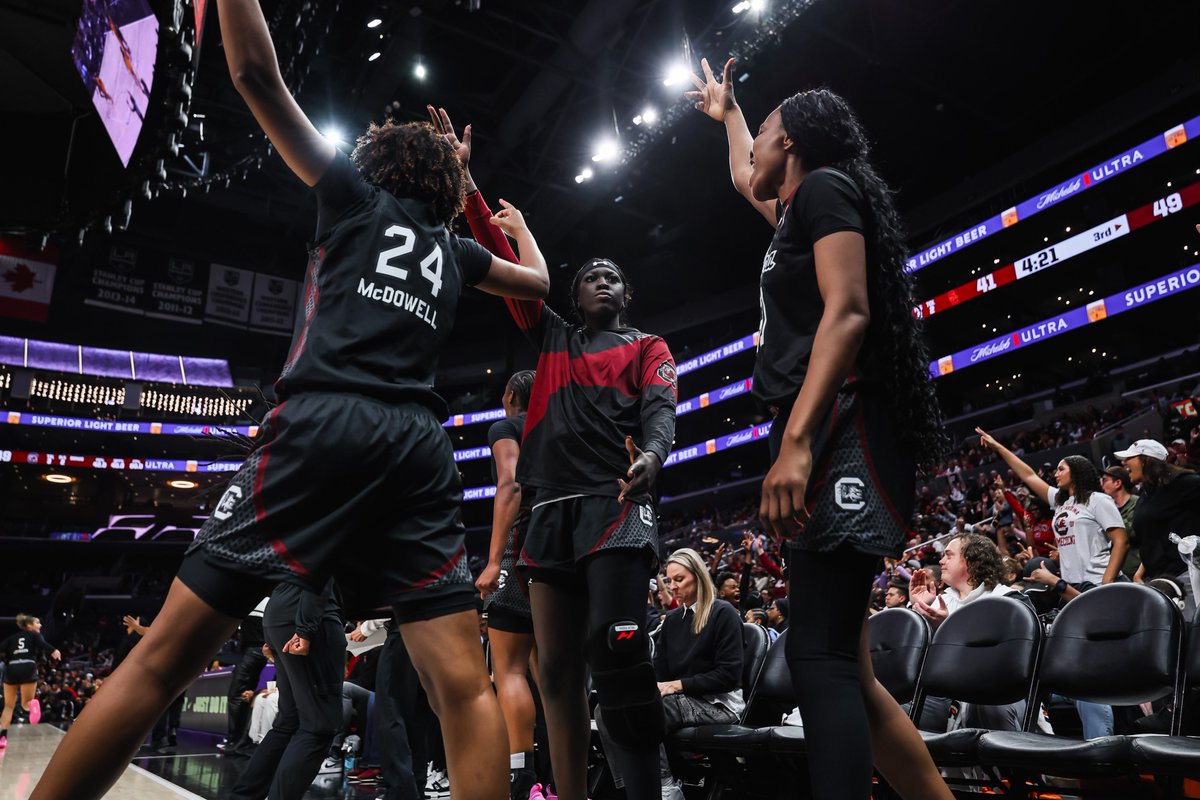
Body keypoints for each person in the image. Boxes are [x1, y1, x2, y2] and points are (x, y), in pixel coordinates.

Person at [29, 1, 550, 796]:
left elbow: (252, 76)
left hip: (323, 421)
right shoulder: (458, 250)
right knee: (463, 688)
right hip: (416, 445)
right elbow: (542, 285)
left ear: (380, 168)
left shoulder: (350, 195)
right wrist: (478, 195)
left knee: (164, 656)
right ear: (442, 189)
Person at [688, 58, 953, 800]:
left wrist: (798, 442)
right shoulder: (797, 208)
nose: (756, 151)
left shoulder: (827, 189)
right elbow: (746, 179)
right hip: (826, 427)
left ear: (794, 143)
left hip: (844, 430)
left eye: (766, 136)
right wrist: (733, 114)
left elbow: (850, 311)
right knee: (846, 666)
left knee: (821, 659)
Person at [441, 107, 678, 800]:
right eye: (591, 276)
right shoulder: (549, 336)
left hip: (615, 505)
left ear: (626, 296)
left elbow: (661, 414)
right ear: (571, 295)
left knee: (618, 654)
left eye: (614, 278)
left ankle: (648, 791)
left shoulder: (648, 347)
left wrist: (654, 458)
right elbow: (503, 255)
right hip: (550, 515)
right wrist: (465, 184)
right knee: (555, 676)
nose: (602, 281)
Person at [601, 548, 744, 800]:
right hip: (681, 699)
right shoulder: (674, 620)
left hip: (718, 703)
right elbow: (659, 671)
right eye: (669, 580)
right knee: (608, 709)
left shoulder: (724, 613)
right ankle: (631, 784)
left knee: (647, 710)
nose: (672, 586)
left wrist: (675, 685)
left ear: (698, 576)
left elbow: (728, 676)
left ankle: (665, 786)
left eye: (680, 579)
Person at [475, 369, 542, 800]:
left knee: (509, 670)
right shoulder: (562, 425)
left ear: (510, 395)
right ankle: (563, 773)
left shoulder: (507, 425)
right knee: (551, 674)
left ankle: (521, 778)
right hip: (564, 560)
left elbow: (510, 484)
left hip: (523, 555)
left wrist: (495, 559)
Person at [977, 431, 1129, 600]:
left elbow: (1121, 541)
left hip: (1098, 581)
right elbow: (1028, 475)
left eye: (1061, 469)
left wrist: (1108, 580)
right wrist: (997, 447)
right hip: (1070, 585)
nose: (1056, 474)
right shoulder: (1060, 501)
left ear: (1077, 472)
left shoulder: (1098, 500)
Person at [227, 581, 345, 800]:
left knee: (288, 722)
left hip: (279, 615)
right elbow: (320, 570)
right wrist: (305, 629)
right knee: (319, 726)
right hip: (308, 616)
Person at [1118, 439, 1200, 619]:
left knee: (1193, 637)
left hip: (1185, 577)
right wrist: (1140, 573)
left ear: (1145, 460)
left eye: (1129, 458)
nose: (1124, 463)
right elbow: (1151, 538)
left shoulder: (1179, 483)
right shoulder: (1146, 493)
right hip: (1160, 581)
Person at [1, 614, 60, 749]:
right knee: (26, 704)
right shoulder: (34, 635)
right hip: (28, 666)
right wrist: (54, 650)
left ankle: (3, 736)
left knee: (8, 706)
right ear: (29, 626)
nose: (40, 625)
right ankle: (33, 703)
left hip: (12, 668)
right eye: (37, 623)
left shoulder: (11, 638)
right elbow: (42, 644)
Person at [1100, 465, 1141, 578]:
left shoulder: (1137, 503)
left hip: (1138, 572)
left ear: (1117, 483)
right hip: (1118, 573)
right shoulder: (1108, 508)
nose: (1101, 485)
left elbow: (1131, 532)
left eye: (1105, 480)